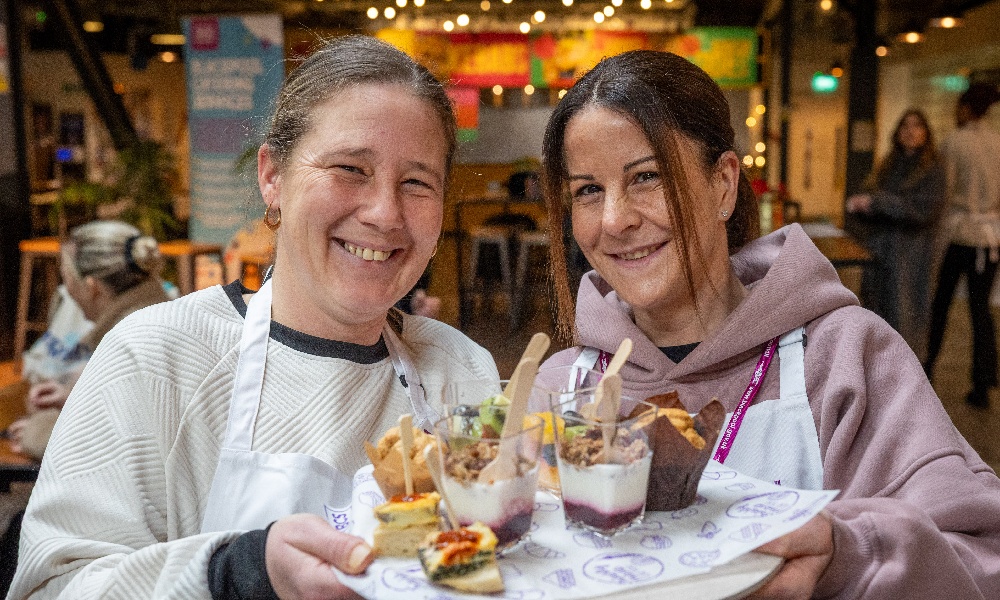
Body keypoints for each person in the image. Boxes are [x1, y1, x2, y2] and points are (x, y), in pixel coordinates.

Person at [7, 35, 498, 600]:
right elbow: (52, 587)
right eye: (349, 168)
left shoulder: (461, 371)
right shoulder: (156, 358)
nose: (385, 214)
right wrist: (239, 572)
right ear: (273, 177)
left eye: (417, 182)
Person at [537, 50, 1000, 599]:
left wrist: (849, 554)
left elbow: (982, 558)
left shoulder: (845, 358)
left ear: (724, 184)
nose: (615, 219)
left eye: (647, 177)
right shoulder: (559, 391)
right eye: (587, 190)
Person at [5, 220, 171, 459]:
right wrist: (72, 394)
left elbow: (110, 442)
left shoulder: (127, 345)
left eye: (67, 280)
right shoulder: (157, 318)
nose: (67, 290)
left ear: (92, 287)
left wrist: (38, 434)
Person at [845, 110, 946, 362]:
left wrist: (876, 202)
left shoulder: (934, 170)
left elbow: (921, 211)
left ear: (926, 133)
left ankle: (908, 380)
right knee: (875, 316)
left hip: (911, 259)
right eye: (905, 126)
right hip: (879, 255)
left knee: (906, 321)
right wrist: (861, 207)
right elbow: (876, 204)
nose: (910, 131)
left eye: (917, 126)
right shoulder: (887, 165)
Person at [924, 83, 1000, 409]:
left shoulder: (953, 143)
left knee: (940, 304)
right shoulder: (998, 141)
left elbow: (944, 192)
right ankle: (982, 384)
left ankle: (926, 371)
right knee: (980, 310)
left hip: (959, 235)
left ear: (966, 108)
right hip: (990, 237)